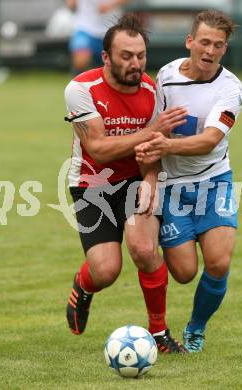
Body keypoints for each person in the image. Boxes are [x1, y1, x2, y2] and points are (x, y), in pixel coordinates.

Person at [64, 13, 188, 354]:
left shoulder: (152, 91)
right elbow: (99, 149)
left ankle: (159, 333)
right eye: (126, 56)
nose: (136, 64)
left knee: (145, 249)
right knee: (105, 271)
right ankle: (83, 286)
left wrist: (150, 178)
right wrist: (153, 130)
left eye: (141, 56)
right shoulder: (81, 89)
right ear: (106, 57)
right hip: (92, 184)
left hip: (135, 178)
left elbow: (153, 148)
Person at [135, 9, 242, 353]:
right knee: (184, 272)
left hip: (214, 182)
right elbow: (156, 126)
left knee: (219, 262)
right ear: (190, 42)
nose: (210, 51)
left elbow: (210, 139)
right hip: (174, 187)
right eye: (204, 42)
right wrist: (151, 176)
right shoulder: (166, 76)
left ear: (225, 49)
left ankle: (196, 328)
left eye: (218, 45)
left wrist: (166, 144)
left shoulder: (232, 89)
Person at [66, 0, 131, 74]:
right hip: (85, 27)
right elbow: (71, 4)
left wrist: (111, 5)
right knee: (81, 59)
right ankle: (78, 82)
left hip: (110, 29)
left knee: (114, 66)